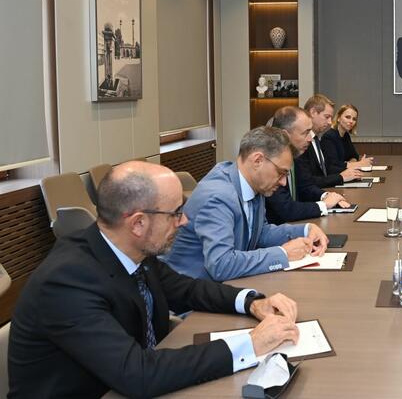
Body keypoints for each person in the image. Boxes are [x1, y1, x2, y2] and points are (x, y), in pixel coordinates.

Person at [8, 161, 301, 398]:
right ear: (138, 223)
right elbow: (138, 374)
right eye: (176, 213)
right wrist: (250, 344)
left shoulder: (134, 250)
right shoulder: (66, 282)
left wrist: (252, 302)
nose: (184, 221)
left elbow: (186, 289)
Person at [164, 126, 329, 281]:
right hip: (191, 292)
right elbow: (221, 265)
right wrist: (283, 254)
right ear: (257, 160)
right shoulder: (218, 196)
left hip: (229, 284)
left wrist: (306, 229)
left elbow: (260, 233)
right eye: (281, 173)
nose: (284, 182)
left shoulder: (254, 184)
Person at [267, 106, 351, 223]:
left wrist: (326, 196)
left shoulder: (296, 154)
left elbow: (305, 186)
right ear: (285, 135)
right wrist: (324, 205)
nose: (310, 139)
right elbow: (287, 209)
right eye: (305, 133)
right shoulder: (269, 162)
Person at [296, 94, 363, 188]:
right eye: (327, 117)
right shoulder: (302, 143)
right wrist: (341, 177)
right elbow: (307, 182)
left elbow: (325, 171)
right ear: (313, 112)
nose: (330, 122)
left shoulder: (316, 139)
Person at [321, 103, 373, 173]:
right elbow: (333, 166)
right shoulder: (329, 137)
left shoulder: (346, 135)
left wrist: (351, 163)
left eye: (354, 119)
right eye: (347, 117)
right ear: (338, 118)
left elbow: (354, 156)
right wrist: (358, 164)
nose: (351, 121)